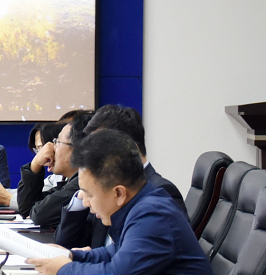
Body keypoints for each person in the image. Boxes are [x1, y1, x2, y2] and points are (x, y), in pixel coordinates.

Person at [28, 130, 225, 275]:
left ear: (119, 193)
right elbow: (116, 252)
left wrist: (63, 270)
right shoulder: (142, 205)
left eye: (90, 194)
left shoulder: (153, 215)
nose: (85, 202)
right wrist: (72, 256)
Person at [55, 104, 186, 249]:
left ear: (129, 147)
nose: (93, 156)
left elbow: (134, 256)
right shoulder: (104, 187)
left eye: (100, 147)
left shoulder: (161, 191)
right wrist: (81, 199)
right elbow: (68, 245)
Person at [16, 110, 92, 228]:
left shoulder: (83, 184)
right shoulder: (69, 182)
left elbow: (40, 215)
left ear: (76, 149)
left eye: (57, 142)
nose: (52, 148)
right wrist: (34, 166)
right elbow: (27, 209)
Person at [0, 121, 63, 207]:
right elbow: (30, 194)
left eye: (42, 148)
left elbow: (40, 206)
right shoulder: (55, 177)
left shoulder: (69, 183)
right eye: (37, 150)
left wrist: (7, 198)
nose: (40, 155)